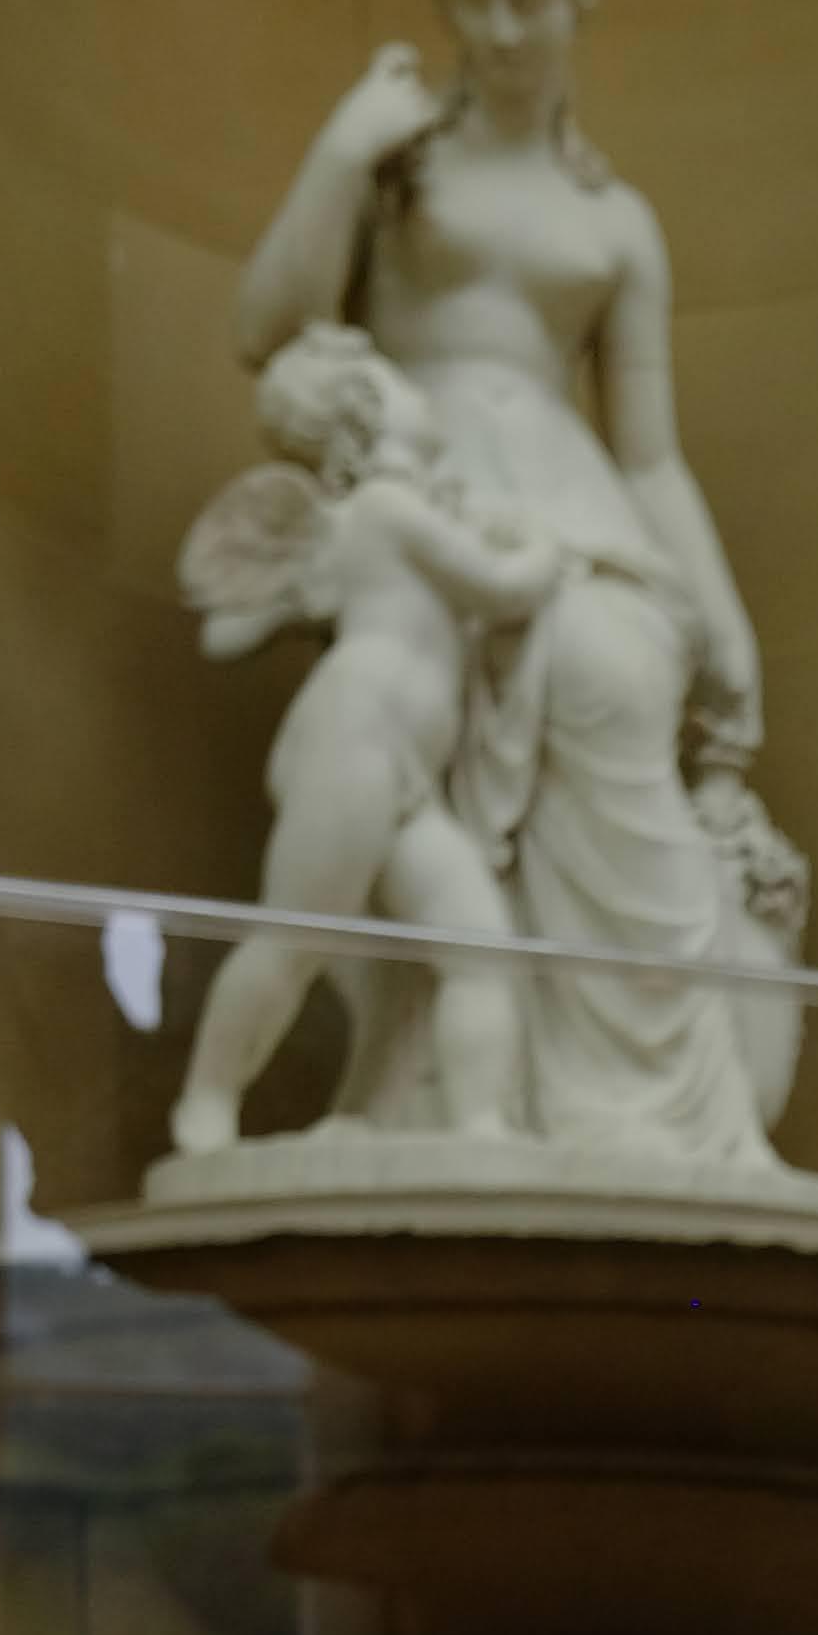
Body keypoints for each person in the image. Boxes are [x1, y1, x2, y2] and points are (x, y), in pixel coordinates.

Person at [234, 0, 803, 1172]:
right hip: (423, 492)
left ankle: (653, 1111)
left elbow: (650, 456)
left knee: (613, 674)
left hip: (576, 510)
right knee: (420, 722)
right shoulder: (398, 167)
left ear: (573, 1)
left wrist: (723, 615)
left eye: (525, 1)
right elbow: (268, 328)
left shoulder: (619, 222)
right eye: (474, 2)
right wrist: (339, 153)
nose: (497, 31)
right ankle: (439, 1094)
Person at [171, 327, 552, 1154]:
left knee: (481, 947)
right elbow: (505, 589)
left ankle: (480, 1125)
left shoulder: (374, 520)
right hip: (353, 741)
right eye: (400, 381)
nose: (421, 393)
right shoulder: (384, 509)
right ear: (368, 409)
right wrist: (543, 549)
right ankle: (206, 1103)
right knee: (296, 939)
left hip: (403, 769)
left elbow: (231, 635)